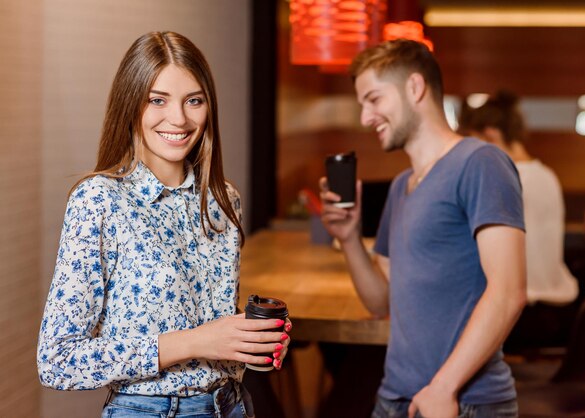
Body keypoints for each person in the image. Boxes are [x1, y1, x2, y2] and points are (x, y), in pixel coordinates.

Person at [37, 31, 291, 418]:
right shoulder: (100, 200)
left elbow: (207, 323)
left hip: (232, 405)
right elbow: (57, 361)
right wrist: (195, 341)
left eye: (194, 101)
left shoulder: (223, 199)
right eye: (158, 100)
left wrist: (247, 343)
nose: (179, 119)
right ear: (130, 104)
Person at [319, 39, 527, 418]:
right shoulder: (402, 186)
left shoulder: (481, 163)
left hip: (464, 402)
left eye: (374, 99)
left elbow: (509, 292)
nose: (365, 117)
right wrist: (348, 237)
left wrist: (443, 388)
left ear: (415, 88)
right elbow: (381, 301)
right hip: (397, 395)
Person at [459, 91, 579, 350]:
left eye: (473, 144)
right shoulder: (546, 174)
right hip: (557, 311)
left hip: (525, 318)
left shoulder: (506, 179)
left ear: (491, 135)